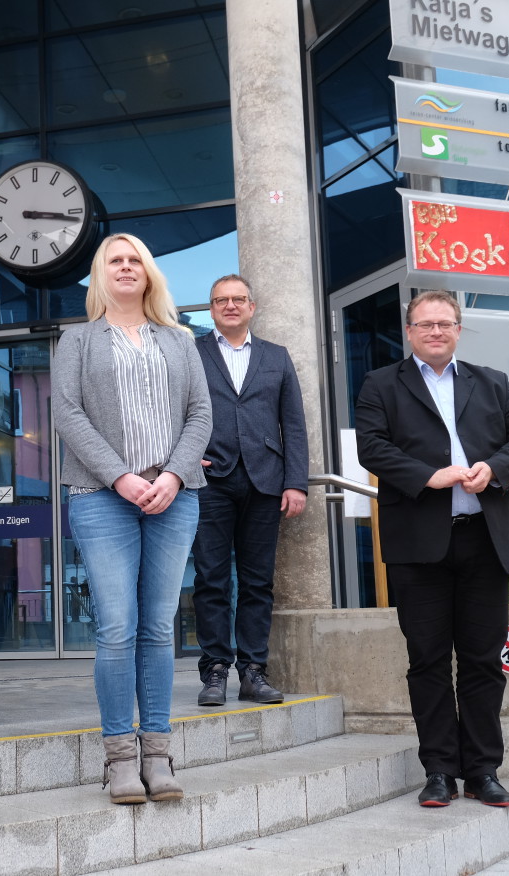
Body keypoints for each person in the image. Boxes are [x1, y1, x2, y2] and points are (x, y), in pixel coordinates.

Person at [355, 290, 509, 809]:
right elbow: (371, 447)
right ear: (409, 331)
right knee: (428, 660)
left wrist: (495, 470)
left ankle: (483, 770)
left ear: (459, 329)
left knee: (484, 662)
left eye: (445, 323)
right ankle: (439, 769)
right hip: (419, 545)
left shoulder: (492, 382)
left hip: (485, 539)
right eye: (425, 324)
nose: (435, 331)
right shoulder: (380, 385)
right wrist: (428, 476)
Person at [54, 233, 212, 804]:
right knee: (116, 627)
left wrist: (171, 475)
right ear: (101, 274)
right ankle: (121, 757)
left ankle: (159, 753)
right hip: (101, 495)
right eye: (115, 261)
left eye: (135, 261)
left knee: (157, 627)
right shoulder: (77, 339)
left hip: (176, 494)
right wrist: (122, 476)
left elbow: (201, 412)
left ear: (148, 274)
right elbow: (67, 414)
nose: (126, 268)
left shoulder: (179, 339)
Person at [191, 275, 308, 706]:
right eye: (221, 300)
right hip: (209, 480)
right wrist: (182, 459)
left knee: (258, 581)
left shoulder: (276, 356)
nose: (230, 305)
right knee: (211, 579)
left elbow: (293, 424)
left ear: (252, 307)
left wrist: (296, 482)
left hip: (266, 480)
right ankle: (215, 671)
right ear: (211, 309)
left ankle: (253, 670)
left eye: (238, 299)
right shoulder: (191, 352)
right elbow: (170, 410)